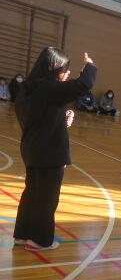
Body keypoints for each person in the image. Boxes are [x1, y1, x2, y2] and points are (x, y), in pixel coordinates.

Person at [13, 48, 96, 250]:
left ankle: (22, 235)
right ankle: (39, 240)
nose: (68, 73)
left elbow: (37, 118)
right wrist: (90, 66)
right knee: (47, 197)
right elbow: (84, 84)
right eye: (65, 68)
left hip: (32, 149)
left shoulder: (28, 88)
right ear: (54, 67)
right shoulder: (50, 88)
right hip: (50, 152)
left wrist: (60, 121)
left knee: (32, 193)